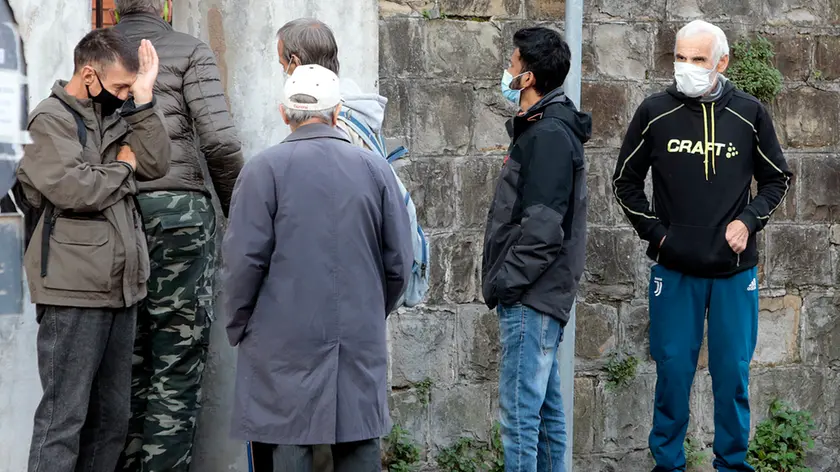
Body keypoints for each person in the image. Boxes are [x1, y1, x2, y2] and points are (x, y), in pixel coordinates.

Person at [612, 20, 793, 472]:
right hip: (675, 272)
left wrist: (749, 221)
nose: (687, 68)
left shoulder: (749, 113)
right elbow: (625, 182)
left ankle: (732, 464)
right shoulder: (654, 112)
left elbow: (776, 179)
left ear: (721, 63)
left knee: (733, 374)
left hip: (734, 272)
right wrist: (658, 235)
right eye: (681, 58)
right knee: (672, 373)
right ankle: (667, 464)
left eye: (698, 60)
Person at [222, 63, 413, 472]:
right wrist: (367, 311)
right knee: (359, 446)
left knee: (290, 446)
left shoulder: (264, 170)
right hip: (357, 338)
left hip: (281, 340)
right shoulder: (375, 169)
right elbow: (400, 261)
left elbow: (243, 262)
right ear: (337, 111)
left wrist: (238, 323)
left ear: (283, 112)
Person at [17, 28, 170, 472]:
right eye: (121, 86)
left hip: (122, 288)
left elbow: (157, 163)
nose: (122, 95)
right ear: (88, 76)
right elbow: (75, 190)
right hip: (72, 291)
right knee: (63, 420)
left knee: (112, 421)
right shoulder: (49, 121)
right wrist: (123, 165)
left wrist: (143, 102)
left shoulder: (119, 115)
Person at [111, 1, 245, 471]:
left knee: (122, 361)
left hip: (113, 213)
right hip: (179, 214)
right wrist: (237, 216)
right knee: (176, 357)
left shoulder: (94, 54)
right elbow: (221, 142)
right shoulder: (189, 50)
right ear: (164, 6)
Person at [481, 27, 591, 472]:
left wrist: (508, 283)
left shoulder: (547, 136)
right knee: (544, 415)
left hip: (531, 296)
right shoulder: (543, 130)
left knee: (522, 418)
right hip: (538, 294)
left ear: (527, 79)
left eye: (511, 64)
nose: (506, 72)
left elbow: (543, 230)